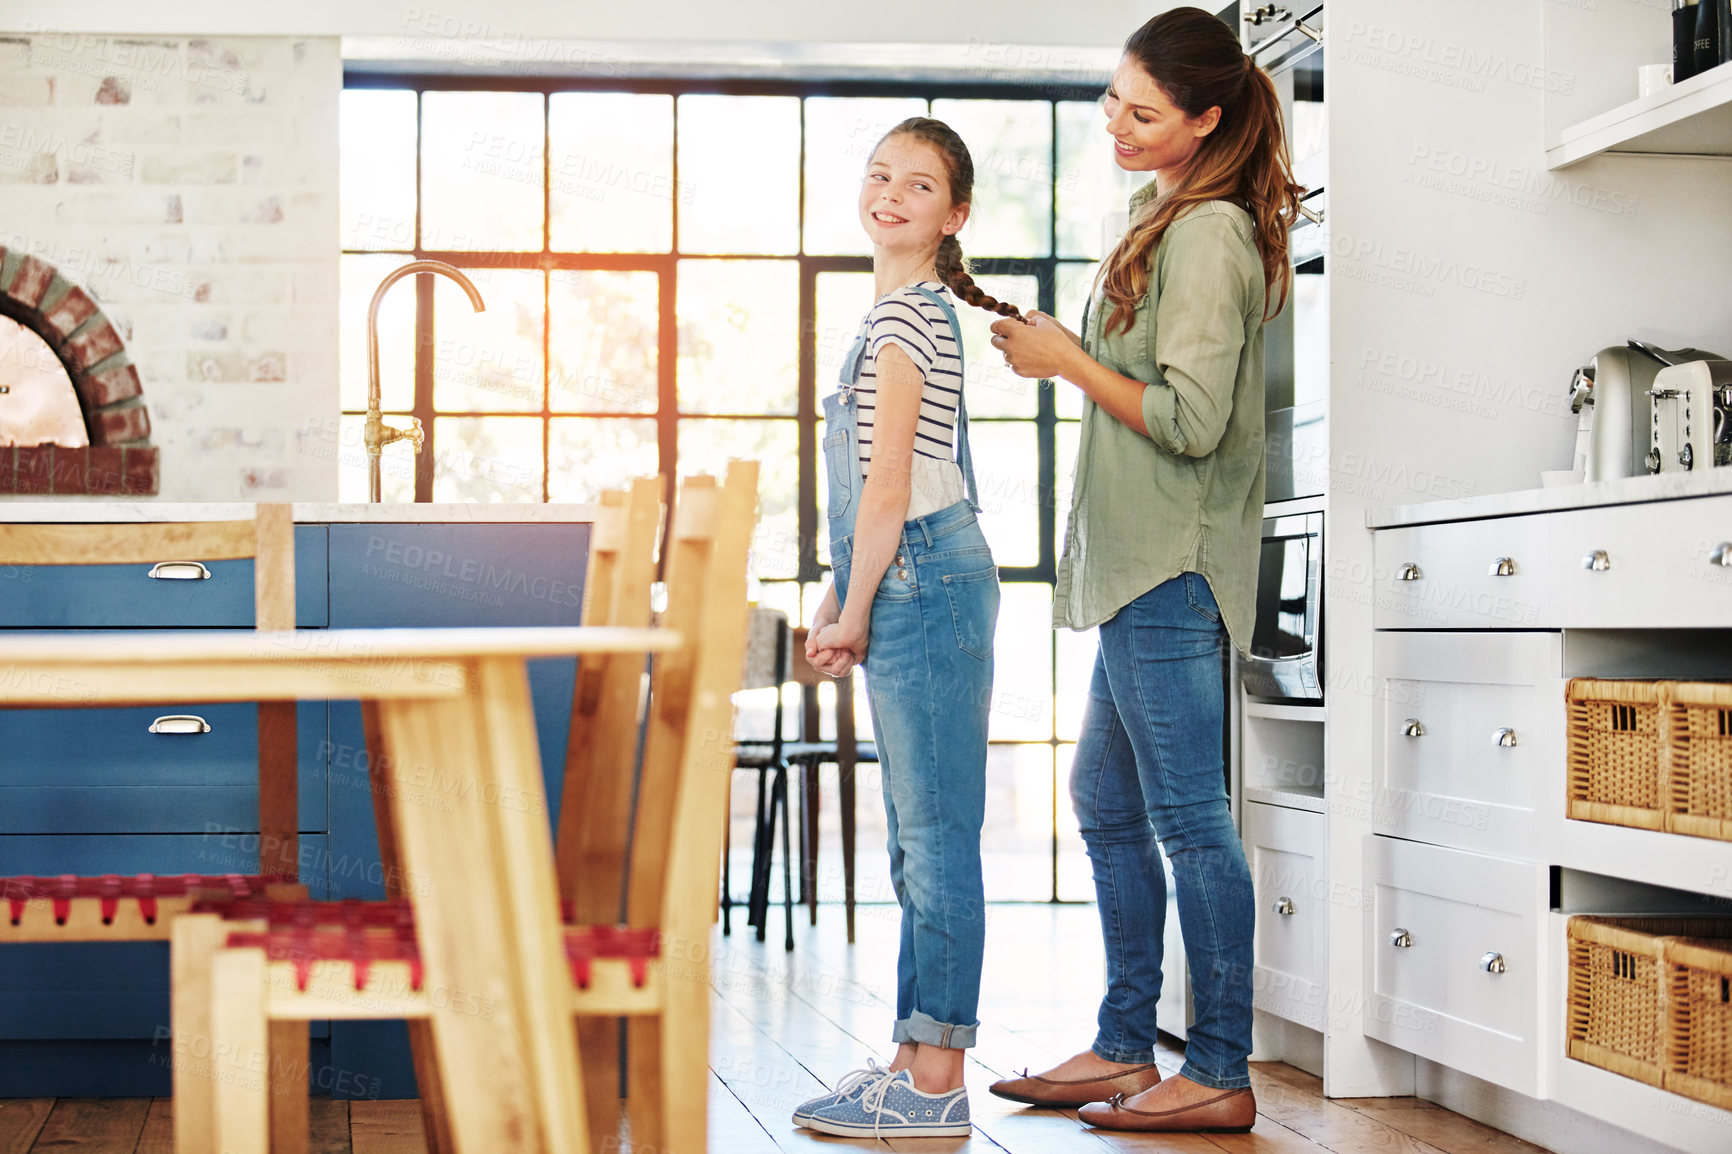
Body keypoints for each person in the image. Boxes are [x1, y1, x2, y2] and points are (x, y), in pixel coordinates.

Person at [984, 6, 1303, 1135]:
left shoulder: (1210, 231)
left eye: (1144, 111)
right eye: (1114, 97)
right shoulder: (1156, 215)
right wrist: (1062, 352)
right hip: (1131, 563)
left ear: (1206, 120)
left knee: (1183, 817)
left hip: (1171, 563)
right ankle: (1125, 1045)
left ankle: (1215, 1063)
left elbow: (1193, 419)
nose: (1115, 121)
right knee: (1105, 801)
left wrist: (1064, 360)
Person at [790, 116, 1022, 1140]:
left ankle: (935, 1082)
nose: (889, 194)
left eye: (917, 185)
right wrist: (844, 594)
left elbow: (886, 490)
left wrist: (850, 605)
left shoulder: (902, 323)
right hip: (922, 575)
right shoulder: (902, 312)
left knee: (934, 839)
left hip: (922, 572)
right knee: (917, 839)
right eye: (879, 174)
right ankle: (909, 1053)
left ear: (953, 213)